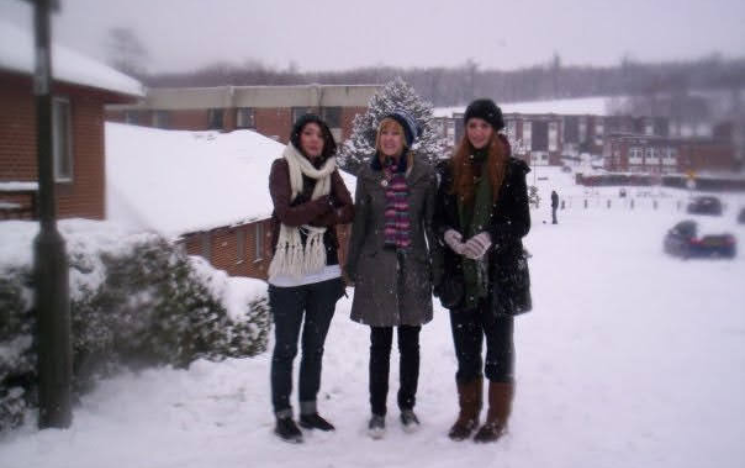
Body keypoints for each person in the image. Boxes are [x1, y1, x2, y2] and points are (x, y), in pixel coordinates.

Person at [434, 98, 532, 443]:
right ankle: (468, 413)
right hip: (461, 278)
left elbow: (521, 223)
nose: (477, 132)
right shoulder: (448, 170)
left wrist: (491, 236)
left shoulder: (512, 171)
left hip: (498, 277)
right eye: (472, 125)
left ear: (494, 131)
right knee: (466, 350)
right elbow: (437, 219)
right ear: (466, 129)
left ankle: (497, 418)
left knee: (500, 350)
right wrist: (448, 234)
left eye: (484, 126)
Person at [345, 111, 439, 439]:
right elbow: (360, 224)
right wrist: (351, 265)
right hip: (377, 268)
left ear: (406, 139)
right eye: (384, 132)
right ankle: (377, 411)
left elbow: (430, 225)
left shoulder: (425, 175)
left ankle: (407, 406)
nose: (388, 138)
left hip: (412, 266)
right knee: (379, 344)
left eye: (395, 133)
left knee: (410, 343)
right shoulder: (367, 174)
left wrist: (437, 267)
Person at [267, 114, 354, 443]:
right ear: (298, 137)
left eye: (320, 134)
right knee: (286, 349)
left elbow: (350, 210)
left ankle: (308, 410)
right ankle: (283, 415)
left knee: (314, 348)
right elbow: (286, 213)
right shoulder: (281, 167)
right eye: (308, 133)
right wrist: (323, 204)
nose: (315, 139)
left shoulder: (331, 171)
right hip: (288, 273)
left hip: (325, 271)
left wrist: (318, 210)